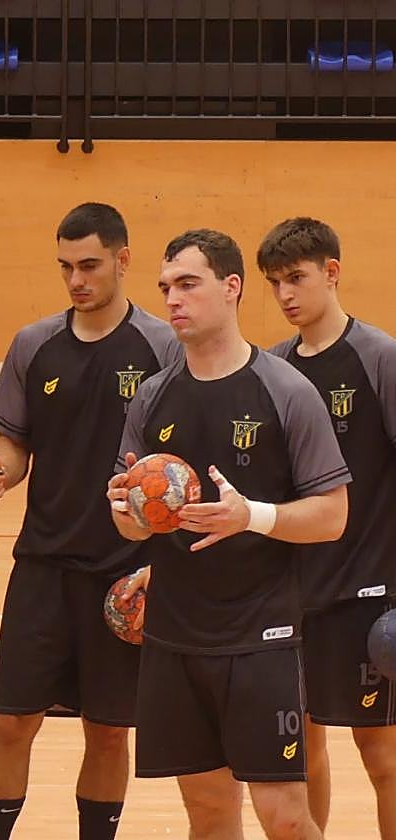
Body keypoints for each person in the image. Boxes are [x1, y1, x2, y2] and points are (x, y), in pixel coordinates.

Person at [108, 229, 350, 840]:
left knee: (286, 818)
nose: (173, 300)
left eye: (188, 284)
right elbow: (125, 517)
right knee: (210, 815)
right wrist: (131, 511)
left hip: (261, 636)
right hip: (175, 637)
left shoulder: (287, 391)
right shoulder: (152, 397)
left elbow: (331, 516)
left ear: (232, 287)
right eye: (165, 288)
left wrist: (252, 517)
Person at [0, 203, 180, 840]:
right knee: (10, 723)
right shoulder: (34, 344)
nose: (76, 280)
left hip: (124, 571)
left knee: (110, 732)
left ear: (123, 260)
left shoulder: (162, 346)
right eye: (65, 267)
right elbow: (14, 440)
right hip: (42, 566)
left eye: (88, 265)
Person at [260, 217, 396, 838]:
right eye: (275, 283)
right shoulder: (274, 369)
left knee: (384, 759)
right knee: (301, 755)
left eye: (296, 278)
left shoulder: (380, 358)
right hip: (295, 594)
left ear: (331, 272)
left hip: (369, 596)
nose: (286, 294)